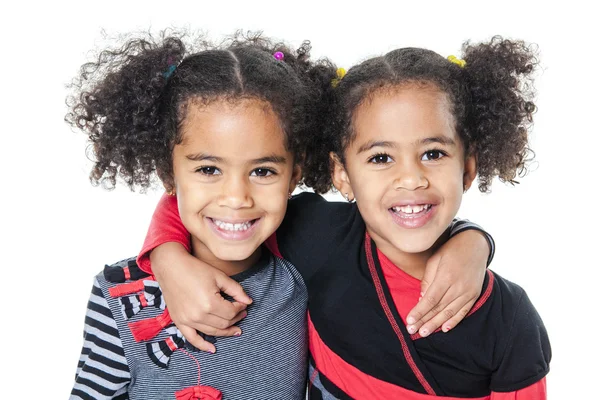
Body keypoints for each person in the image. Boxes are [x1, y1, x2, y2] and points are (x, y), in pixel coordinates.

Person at [139, 38, 543, 399]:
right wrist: (167, 258)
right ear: (341, 175)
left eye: (433, 153)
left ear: (468, 169)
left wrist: (473, 241)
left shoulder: (507, 317)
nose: (410, 178)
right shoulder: (318, 237)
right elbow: (220, 203)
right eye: (381, 157)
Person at [67, 31, 339, 399]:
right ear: (168, 172)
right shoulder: (117, 294)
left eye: (262, 171)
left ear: (294, 175)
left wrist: (450, 244)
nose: (236, 198)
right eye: (209, 169)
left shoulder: (305, 277)